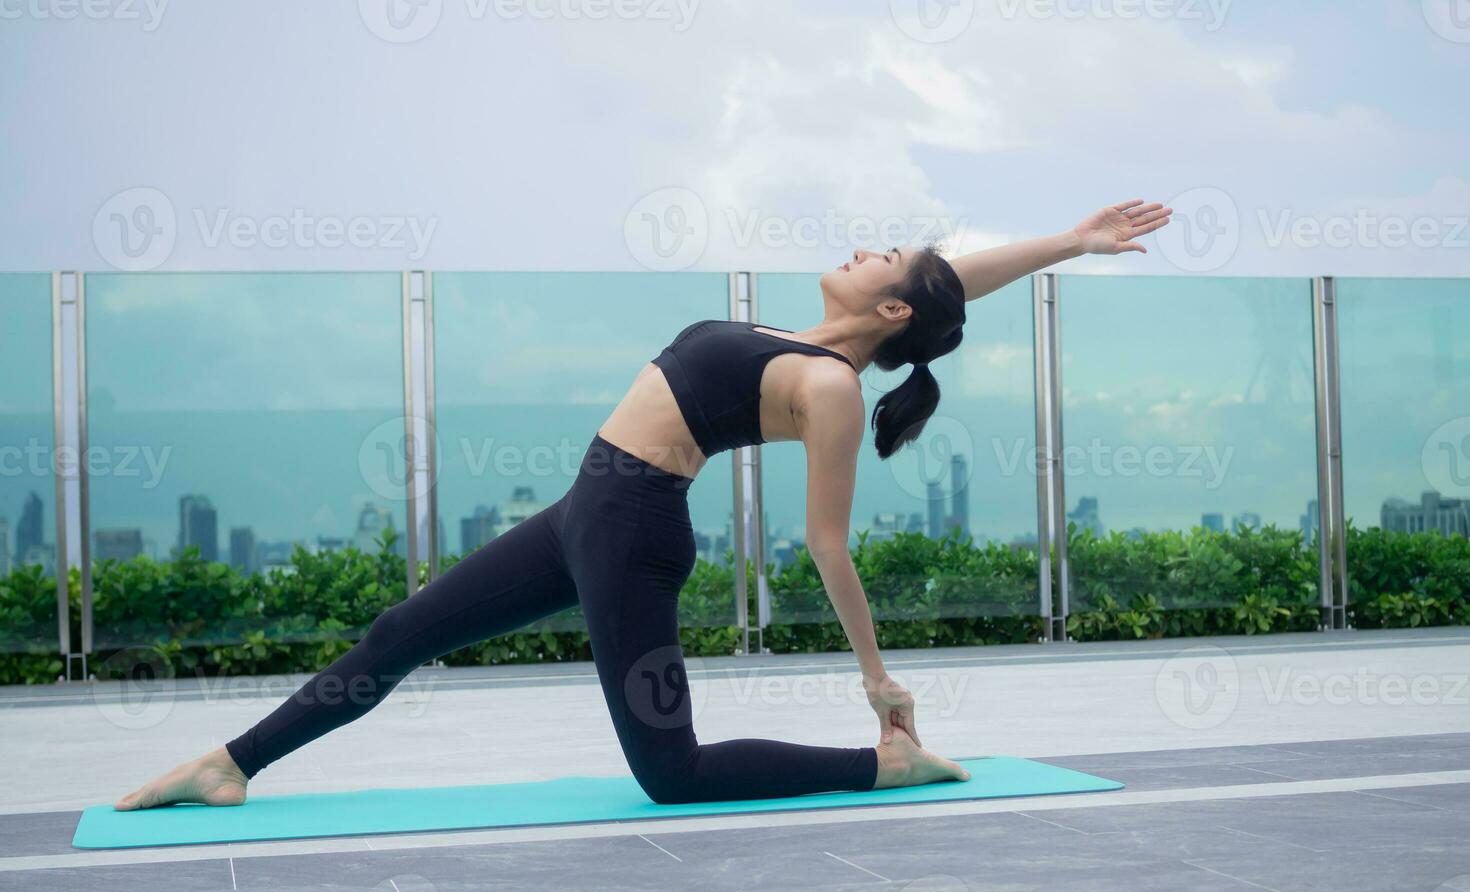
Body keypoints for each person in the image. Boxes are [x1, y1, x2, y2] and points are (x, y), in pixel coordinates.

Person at [116, 200, 1170, 810]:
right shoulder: (814, 345)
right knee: (401, 629)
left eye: (879, 257)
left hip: (633, 535)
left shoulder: (831, 386)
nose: (860, 246)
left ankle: (884, 764)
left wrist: (879, 682)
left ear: (889, 306)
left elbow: (827, 543)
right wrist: (1071, 242)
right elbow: (944, 285)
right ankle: (230, 762)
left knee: (670, 772)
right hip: (582, 510)